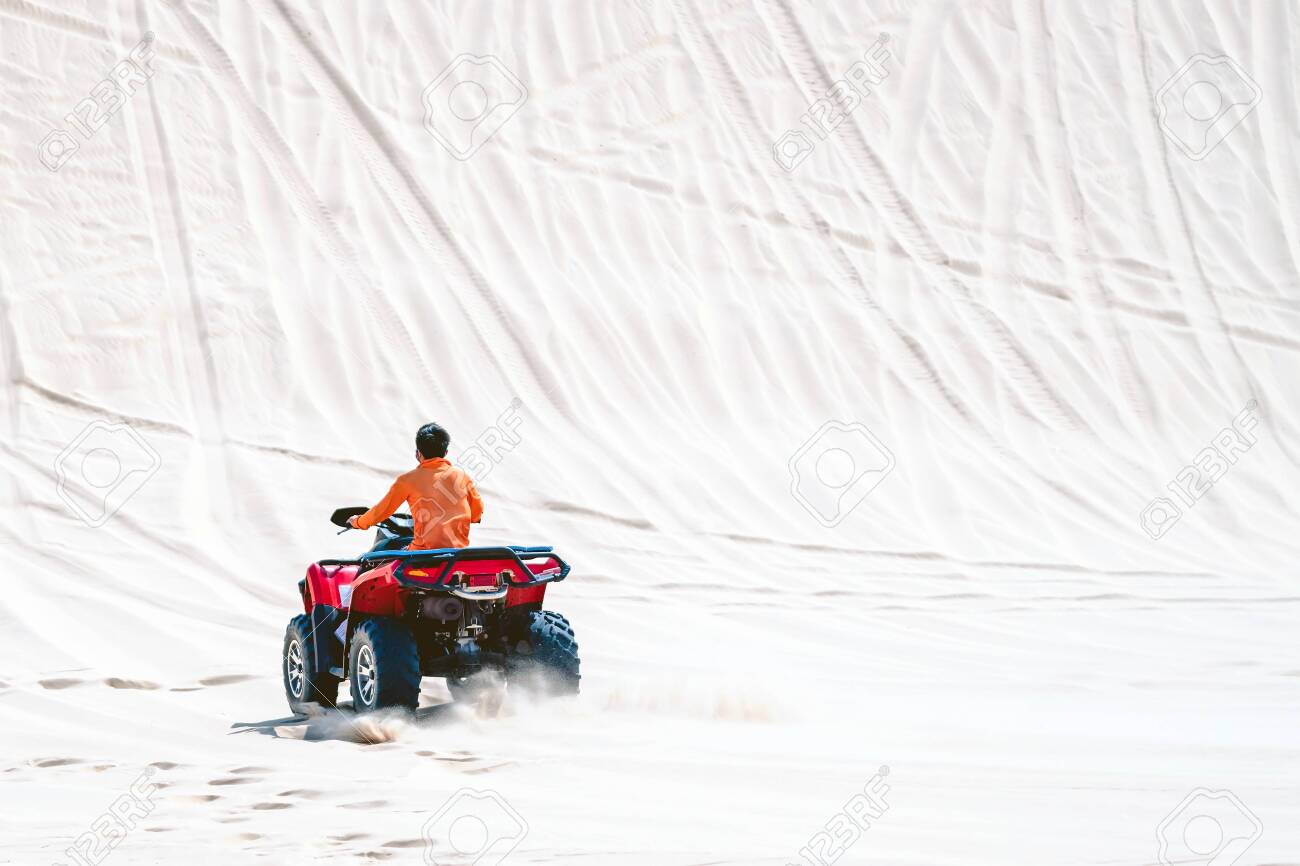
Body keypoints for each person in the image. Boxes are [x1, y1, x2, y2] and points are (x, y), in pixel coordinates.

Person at [349, 422, 483, 549]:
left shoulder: (407, 480)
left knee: (381, 552)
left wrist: (358, 522)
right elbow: (476, 513)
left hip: (422, 554)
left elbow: (382, 511)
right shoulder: (463, 477)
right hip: (458, 553)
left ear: (418, 453)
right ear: (445, 453)